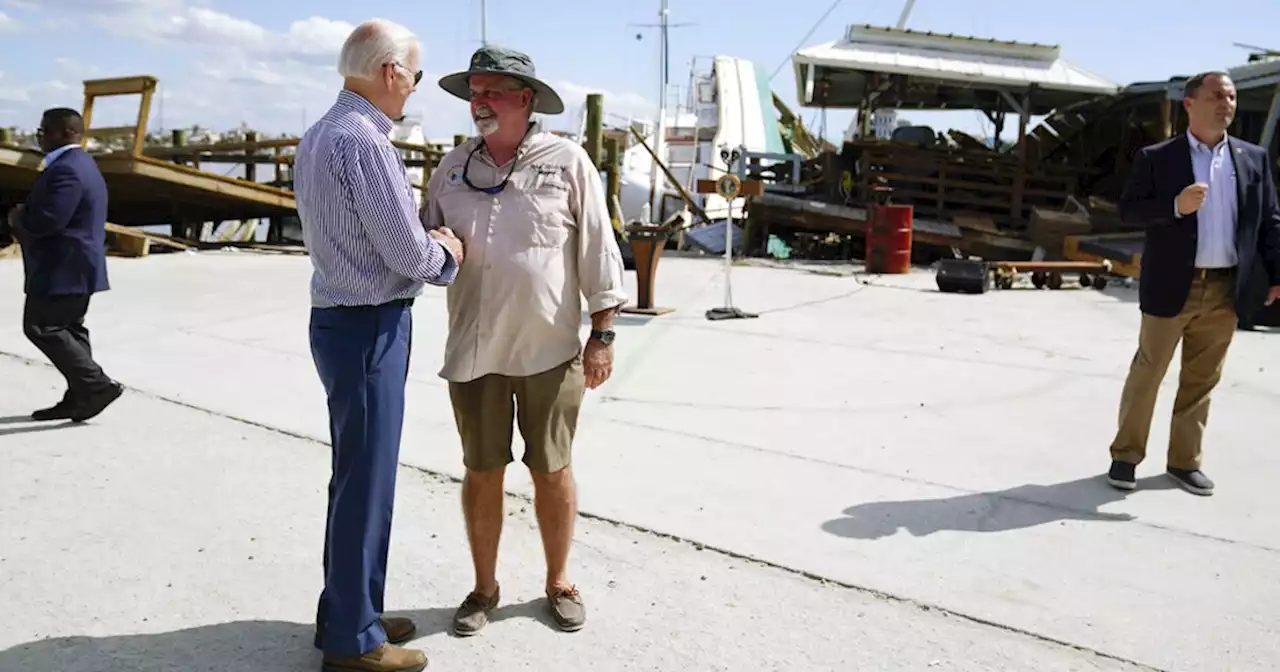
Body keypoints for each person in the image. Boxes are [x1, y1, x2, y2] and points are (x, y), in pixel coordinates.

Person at [422, 45, 627, 636]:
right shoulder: (452, 167)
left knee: (552, 470)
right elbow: (420, 242)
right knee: (481, 471)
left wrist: (603, 336)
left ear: (525, 99)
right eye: (474, 93)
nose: (479, 103)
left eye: (491, 91)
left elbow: (599, 254)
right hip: (474, 352)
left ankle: (559, 582)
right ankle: (484, 588)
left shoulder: (567, 162)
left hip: (550, 352)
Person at [293, 19, 463, 672]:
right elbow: (408, 252)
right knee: (366, 485)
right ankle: (355, 642)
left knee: (354, 479)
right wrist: (448, 250)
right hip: (368, 326)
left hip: (340, 321)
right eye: (415, 76)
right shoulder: (365, 141)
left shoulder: (320, 134)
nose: (414, 89)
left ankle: (349, 610)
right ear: (391, 72)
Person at [1106, 71, 1280, 496]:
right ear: (1189, 104)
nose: (1227, 104)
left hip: (1226, 288)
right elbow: (1129, 211)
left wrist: (1277, 274)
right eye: (1217, 96)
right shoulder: (1158, 157)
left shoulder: (1252, 159)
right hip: (1172, 283)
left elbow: (1270, 221)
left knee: (1202, 380)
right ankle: (1126, 457)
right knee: (1148, 373)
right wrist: (1175, 206)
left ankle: (1184, 463)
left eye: (1232, 97)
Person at [9, 107, 122, 422]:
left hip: (62, 267)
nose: (40, 136)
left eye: (46, 131)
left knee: (42, 327)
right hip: (74, 266)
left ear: (68, 133)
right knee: (70, 329)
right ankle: (80, 396)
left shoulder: (67, 170)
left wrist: (18, 219)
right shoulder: (80, 164)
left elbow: (50, 220)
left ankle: (96, 385)